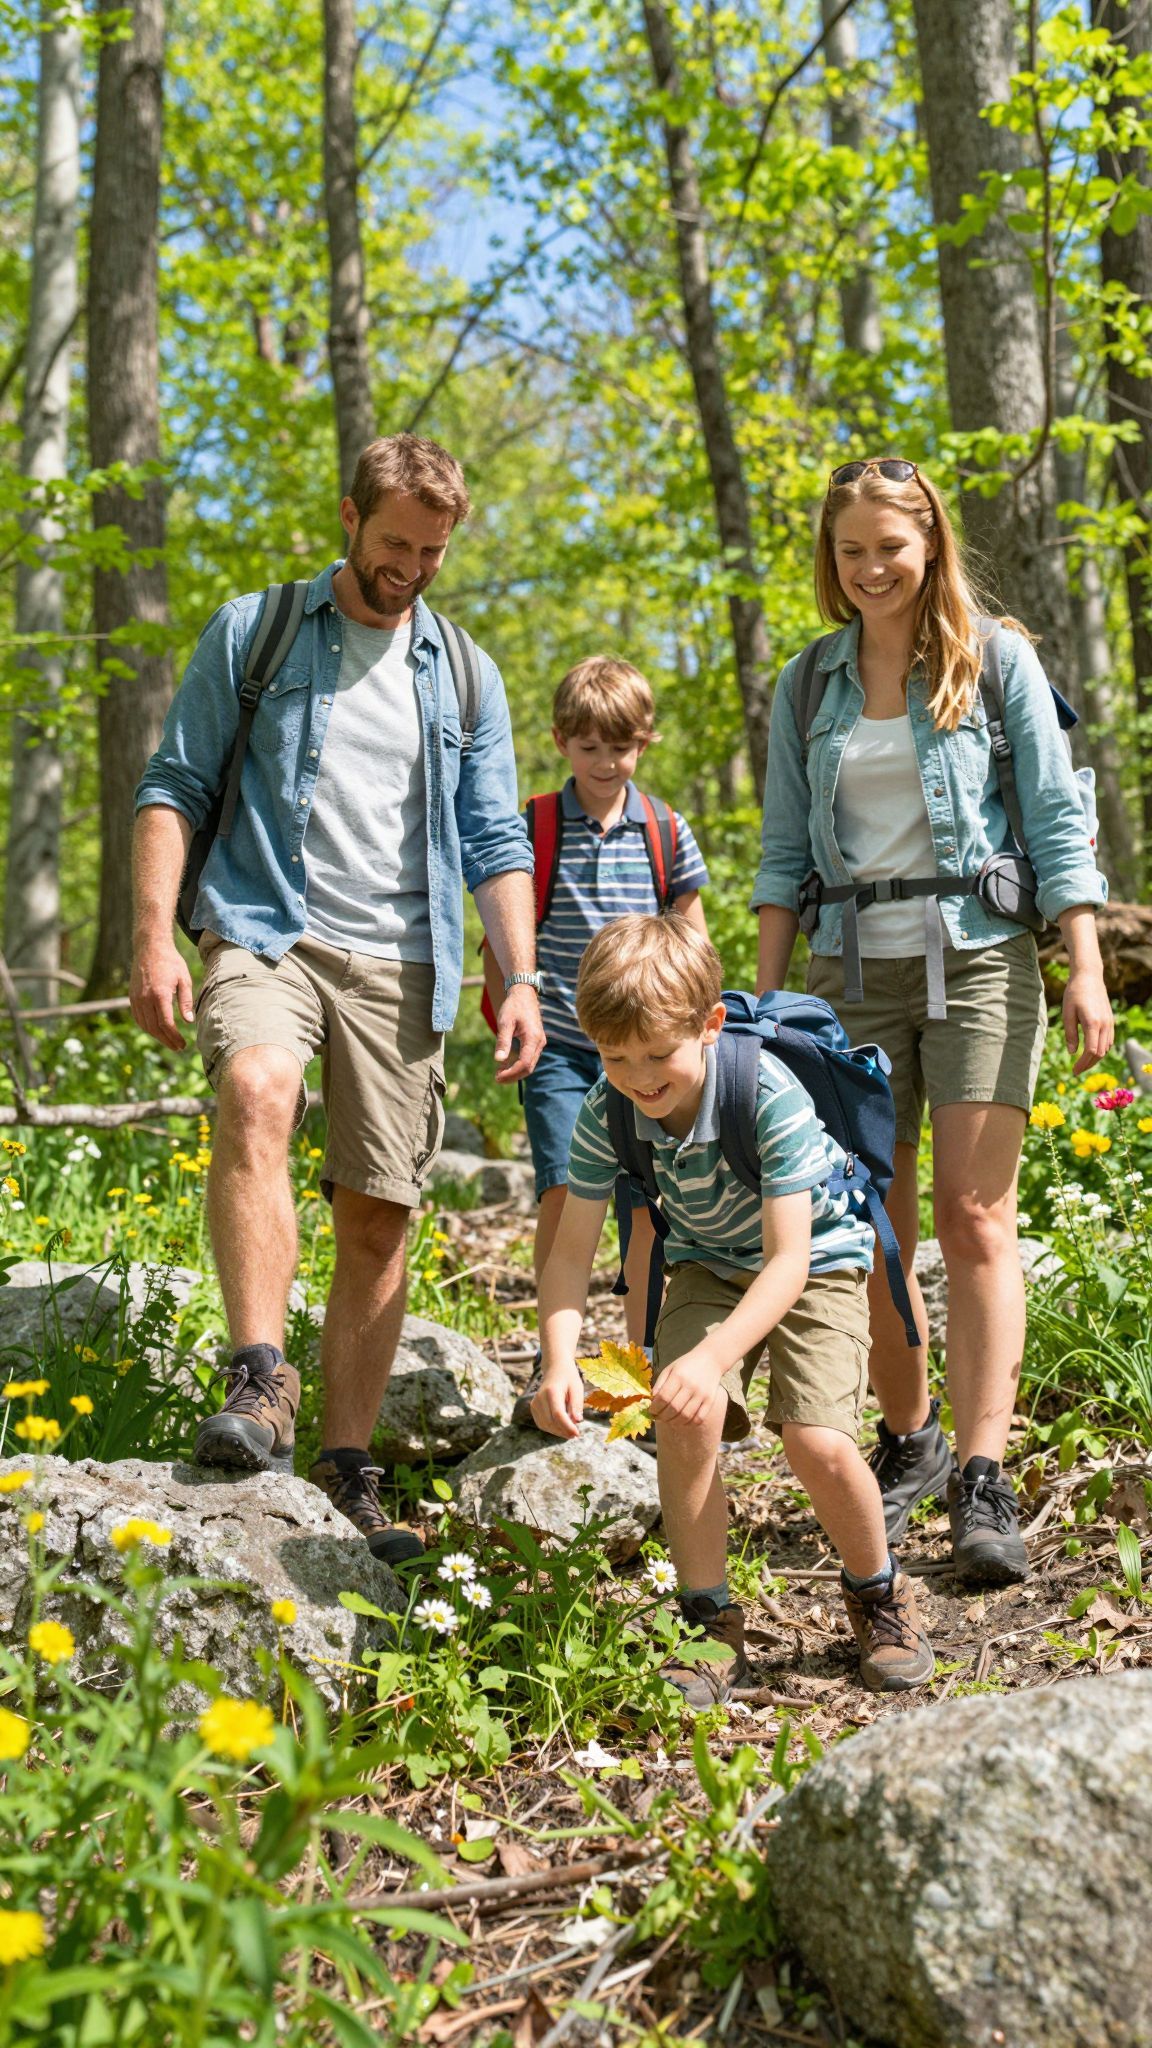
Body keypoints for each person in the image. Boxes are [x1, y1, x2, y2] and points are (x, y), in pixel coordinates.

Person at [131, 432, 544, 1565]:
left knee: (376, 1216)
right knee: (259, 1089)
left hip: (405, 960)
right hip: (269, 930)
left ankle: (347, 1464)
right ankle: (260, 1377)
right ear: (349, 519)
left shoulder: (463, 671)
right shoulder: (256, 629)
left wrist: (520, 978)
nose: (411, 567)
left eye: (434, 551)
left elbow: (495, 835)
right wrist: (151, 939)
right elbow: (172, 786)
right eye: (395, 544)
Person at [753, 456, 1111, 1586]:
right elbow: (780, 854)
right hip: (849, 973)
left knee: (974, 1214)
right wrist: (764, 1003)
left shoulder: (994, 660)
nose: (870, 569)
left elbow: (1056, 819)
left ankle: (984, 1472)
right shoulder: (808, 685)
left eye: (889, 547)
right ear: (832, 556)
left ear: (930, 544)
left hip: (986, 960)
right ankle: (909, 1436)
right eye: (850, 550)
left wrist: (1086, 965)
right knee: (873, 1221)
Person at [530, 914, 936, 1700]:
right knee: (686, 1417)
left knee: (815, 1438)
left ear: (710, 1026)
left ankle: (880, 1593)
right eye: (616, 1058)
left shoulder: (768, 1094)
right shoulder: (606, 1109)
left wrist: (713, 1358)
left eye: (658, 1056)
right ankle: (707, 1618)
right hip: (709, 1264)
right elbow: (570, 1253)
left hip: (815, 1258)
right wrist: (556, 1359)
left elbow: (790, 1262)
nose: (640, 1079)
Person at [504, 658, 710, 1425]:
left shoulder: (664, 829)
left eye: (620, 747)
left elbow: (691, 933)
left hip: (650, 1050)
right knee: (564, 1188)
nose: (605, 762)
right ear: (562, 742)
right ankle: (552, 1351)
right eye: (589, 747)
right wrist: (507, 1007)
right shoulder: (536, 825)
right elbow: (510, 932)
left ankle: (638, 1364)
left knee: (647, 1207)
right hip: (561, 1041)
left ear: (643, 744)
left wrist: (706, 1019)